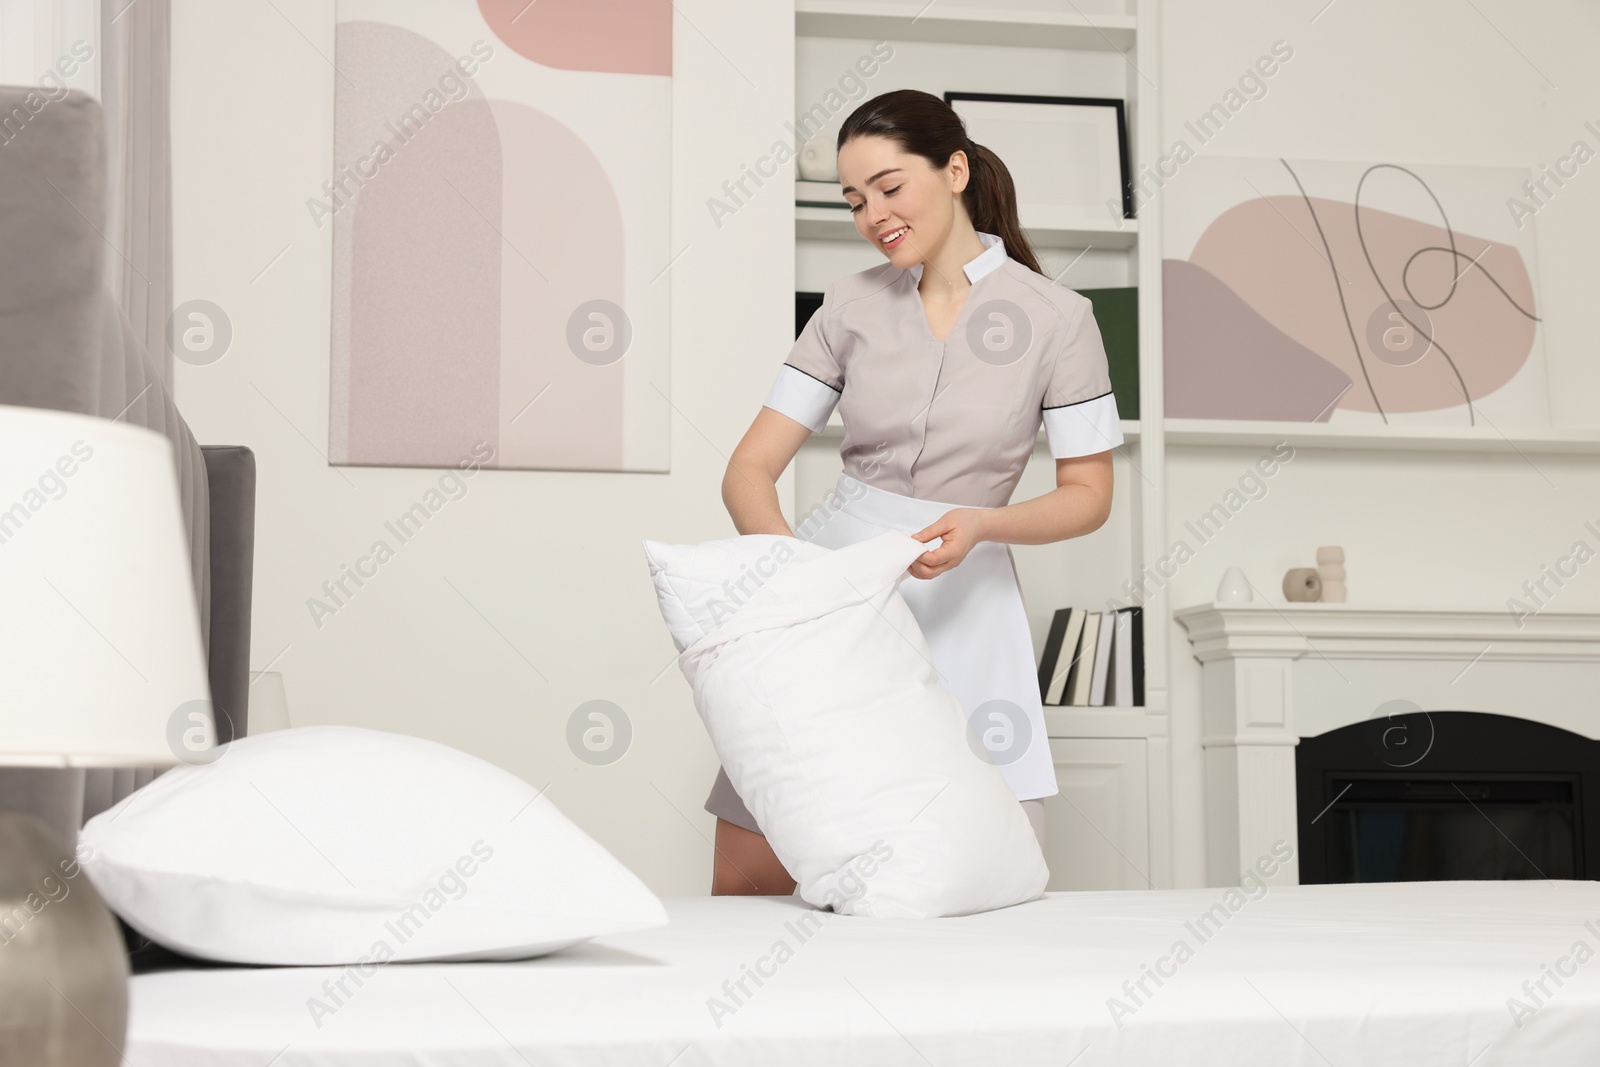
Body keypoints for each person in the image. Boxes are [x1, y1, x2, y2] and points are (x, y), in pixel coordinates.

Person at [708, 88, 1123, 896]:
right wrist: (799, 577)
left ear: (956, 169)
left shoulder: (1059, 320)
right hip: (832, 586)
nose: (874, 215)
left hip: (965, 590)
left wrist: (982, 523)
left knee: (987, 868)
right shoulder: (848, 305)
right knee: (755, 862)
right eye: (855, 200)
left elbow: (1088, 493)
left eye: (891, 188)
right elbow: (747, 469)